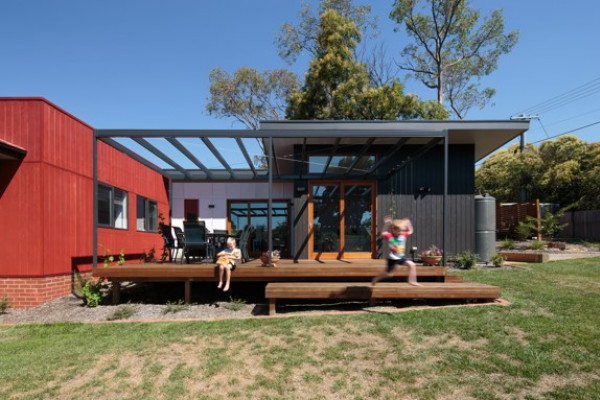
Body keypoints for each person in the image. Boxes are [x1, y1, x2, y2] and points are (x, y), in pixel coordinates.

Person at [372, 216, 421, 286]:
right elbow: (383, 233)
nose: (401, 232)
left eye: (402, 230)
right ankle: (376, 278)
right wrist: (387, 224)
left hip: (401, 257)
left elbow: (411, 231)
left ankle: (412, 281)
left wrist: (408, 224)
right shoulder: (390, 236)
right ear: (394, 230)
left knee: (412, 265)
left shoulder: (403, 235)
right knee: (389, 274)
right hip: (392, 259)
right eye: (399, 231)